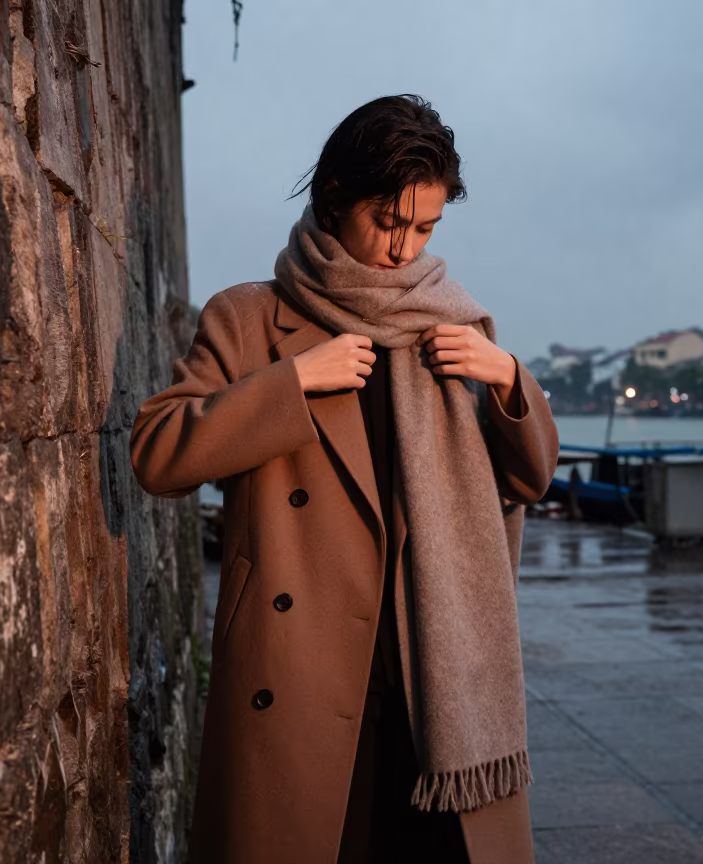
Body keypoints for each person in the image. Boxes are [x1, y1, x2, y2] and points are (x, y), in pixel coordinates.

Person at [130, 94, 559, 864]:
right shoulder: (249, 319)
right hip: (305, 673)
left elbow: (530, 480)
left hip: (438, 681)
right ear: (335, 199)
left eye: (424, 227)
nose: (404, 248)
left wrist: (507, 379)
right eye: (388, 221)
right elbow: (158, 453)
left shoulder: (450, 323)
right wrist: (289, 385)